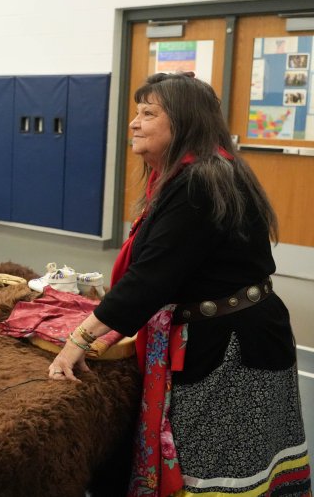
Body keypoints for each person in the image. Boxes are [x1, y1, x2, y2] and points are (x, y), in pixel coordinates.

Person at [48, 72, 310, 496]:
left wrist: (79, 340)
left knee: (225, 464)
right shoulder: (206, 170)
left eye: (148, 114)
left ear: (184, 123)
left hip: (232, 350)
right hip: (240, 333)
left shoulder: (199, 183)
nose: (134, 123)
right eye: (136, 112)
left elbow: (149, 279)